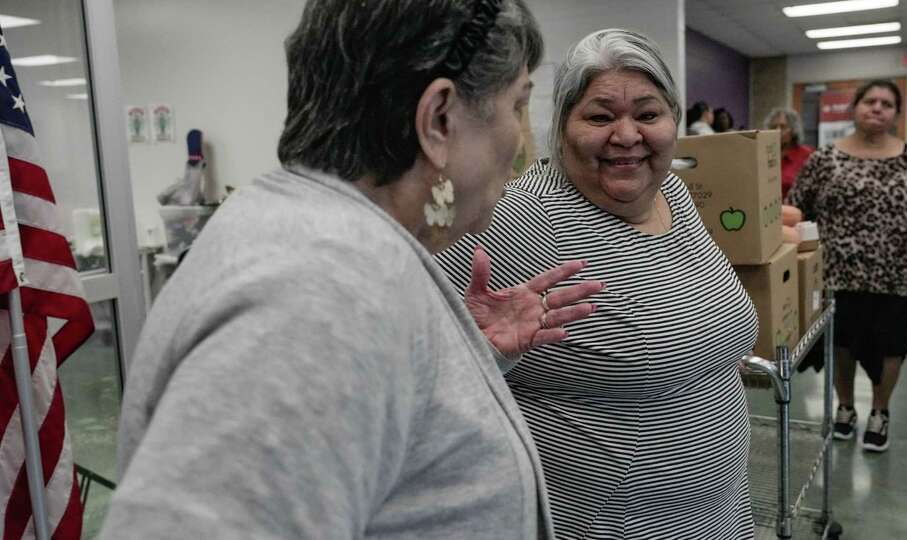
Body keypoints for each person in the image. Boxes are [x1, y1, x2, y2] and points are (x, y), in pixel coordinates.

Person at [100, 1, 606, 538]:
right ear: (439, 120)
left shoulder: (318, 237)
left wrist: (453, 368)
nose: (523, 143)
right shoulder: (321, 289)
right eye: (518, 106)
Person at [436, 29, 757, 539]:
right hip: (601, 524)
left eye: (649, 115)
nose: (627, 136)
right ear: (562, 126)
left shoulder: (671, 193)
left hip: (722, 513)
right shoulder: (516, 216)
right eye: (601, 116)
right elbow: (426, 372)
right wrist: (485, 357)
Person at [786, 80, 907, 453]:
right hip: (837, 272)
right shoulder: (825, 158)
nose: (877, 108)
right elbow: (796, 206)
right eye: (869, 101)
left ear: (896, 114)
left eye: (886, 104)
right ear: (854, 108)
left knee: (892, 348)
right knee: (842, 344)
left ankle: (880, 410)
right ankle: (845, 406)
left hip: (895, 272)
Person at [765, 107, 814, 199]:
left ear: (793, 130)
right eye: (773, 127)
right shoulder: (764, 154)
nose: (777, 131)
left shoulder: (807, 155)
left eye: (783, 127)